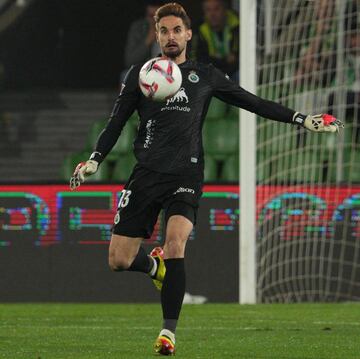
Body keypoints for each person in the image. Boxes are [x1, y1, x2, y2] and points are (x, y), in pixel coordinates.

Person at [69, 3, 343, 356]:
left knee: (176, 243)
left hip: (186, 173)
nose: (170, 37)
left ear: (187, 34)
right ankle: (155, 268)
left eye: (176, 30)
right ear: (157, 34)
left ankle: (168, 333)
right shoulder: (141, 74)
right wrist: (95, 159)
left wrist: (303, 119)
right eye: (163, 31)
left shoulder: (205, 75)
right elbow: (116, 121)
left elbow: (253, 102)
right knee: (119, 260)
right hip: (146, 174)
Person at [191, 0, 239, 81]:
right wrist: (225, 60)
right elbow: (198, 60)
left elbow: (239, 57)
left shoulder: (237, 25)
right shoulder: (198, 30)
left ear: (225, 10)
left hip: (234, 72)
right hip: (211, 74)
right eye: (208, 10)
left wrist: (217, 60)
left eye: (216, 9)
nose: (212, 14)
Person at [122, 0, 163, 81]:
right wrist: (148, 40)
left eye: (158, 16)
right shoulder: (138, 28)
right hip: (143, 70)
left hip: (167, 71)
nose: (155, 20)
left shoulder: (172, 29)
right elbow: (130, 60)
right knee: (125, 75)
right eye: (151, 16)